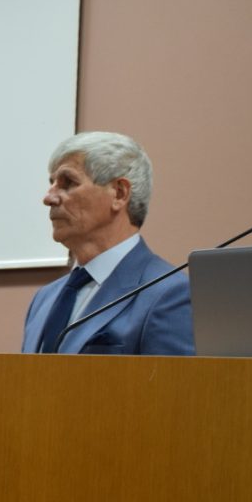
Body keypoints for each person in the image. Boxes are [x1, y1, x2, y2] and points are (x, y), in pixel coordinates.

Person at [22, 131, 194, 355]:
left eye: (68, 183)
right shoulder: (44, 298)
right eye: (52, 183)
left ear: (119, 194)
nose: (49, 198)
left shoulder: (169, 293)